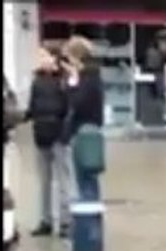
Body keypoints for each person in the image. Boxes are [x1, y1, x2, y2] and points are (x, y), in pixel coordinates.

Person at [26, 47, 71, 238]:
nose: (41, 59)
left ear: (54, 58)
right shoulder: (36, 81)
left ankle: (65, 222)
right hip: (41, 135)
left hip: (59, 135)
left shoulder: (64, 80)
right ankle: (45, 220)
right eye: (40, 56)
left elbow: (70, 108)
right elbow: (32, 107)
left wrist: (65, 132)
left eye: (44, 56)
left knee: (63, 181)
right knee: (44, 182)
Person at [61, 35, 105, 201]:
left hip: (84, 132)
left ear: (77, 57)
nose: (69, 62)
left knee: (85, 180)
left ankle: (88, 224)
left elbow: (78, 103)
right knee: (88, 180)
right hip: (88, 130)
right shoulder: (92, 74)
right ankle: (91, 221)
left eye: (70, 58)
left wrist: (72, 82)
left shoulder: (88, 77)